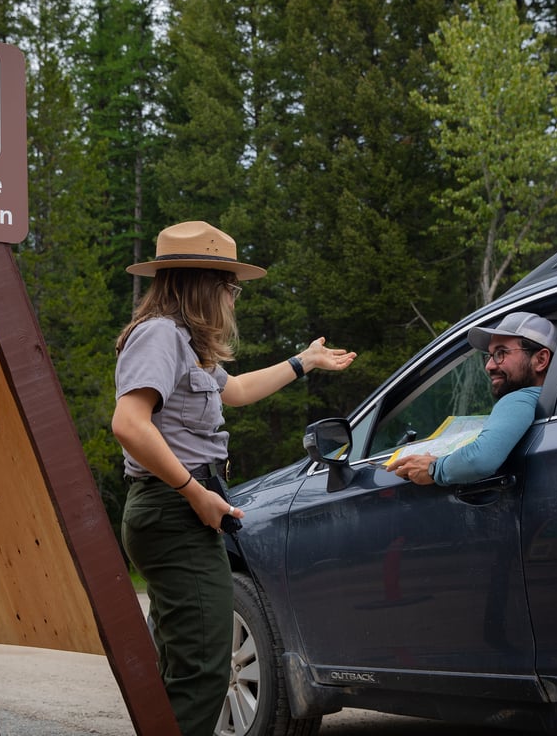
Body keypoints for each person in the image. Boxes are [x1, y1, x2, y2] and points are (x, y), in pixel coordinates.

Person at [111, 220, 356, 736]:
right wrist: (194, 492)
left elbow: (236, 390)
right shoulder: (160, 335)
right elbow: (128, 424)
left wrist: (303, 362)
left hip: (181, 509)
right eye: (231, 286)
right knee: (203, 669)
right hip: (174, 508)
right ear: (204, 284)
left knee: (186, 662)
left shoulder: (183, 342)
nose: (234, 298)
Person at [388, 311, 557, 486]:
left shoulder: (519, 399)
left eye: (501, 353)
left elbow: (480, 460)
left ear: (541, 359)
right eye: (490, 356)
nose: (489, 366)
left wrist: (434, 468)